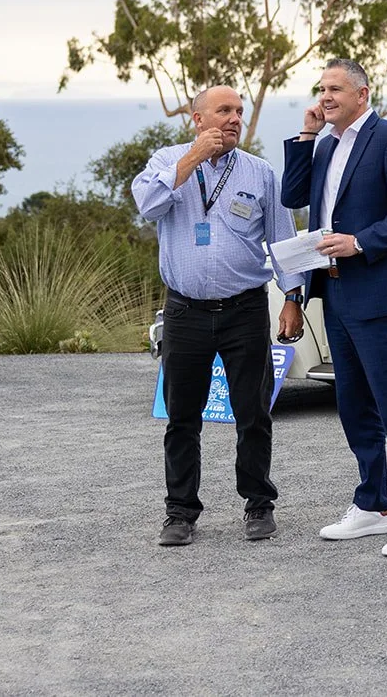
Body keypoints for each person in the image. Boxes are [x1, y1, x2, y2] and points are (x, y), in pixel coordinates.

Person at [281, 58, 387, 557]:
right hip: (335, 291)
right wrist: (306, 137)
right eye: (321, 89)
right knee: (353, 403)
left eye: (335, 89)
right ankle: (373, 506)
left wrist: (361, 243)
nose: (325, 96)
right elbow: (293, 196)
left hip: (379, 290)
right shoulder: (325, 145)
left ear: (362, 95)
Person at [132, 86, 306, 546]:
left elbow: (282, 239)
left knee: (253, 413)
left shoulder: (259, 172)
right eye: (223, 111)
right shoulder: (166, 163)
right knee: (182, 417)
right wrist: (190, 160)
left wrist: (293, 297)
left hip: (245, 309)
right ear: (197, 119)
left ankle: (258, 505)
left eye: (239, 112)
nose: (234, 119)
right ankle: (180, 513)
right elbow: (147, 206)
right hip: (185, 311)